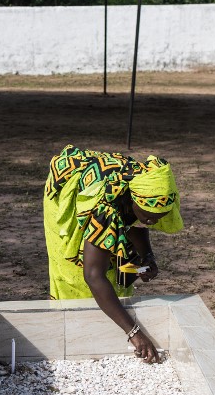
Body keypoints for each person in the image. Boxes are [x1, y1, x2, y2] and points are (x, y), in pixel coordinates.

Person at [43, 145, 183, 364]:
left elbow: (135, 221)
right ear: (133, 200)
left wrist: (148, 256)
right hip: (68, 194)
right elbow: (93, 276)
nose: (152, 222)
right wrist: (135, 333)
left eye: (157, 218)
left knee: (114, 266)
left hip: (112, 198)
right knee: (77, 276)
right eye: (149, 217)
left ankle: (111, 314)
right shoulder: (105, 209)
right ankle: (76, 337)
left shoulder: (144, 189)